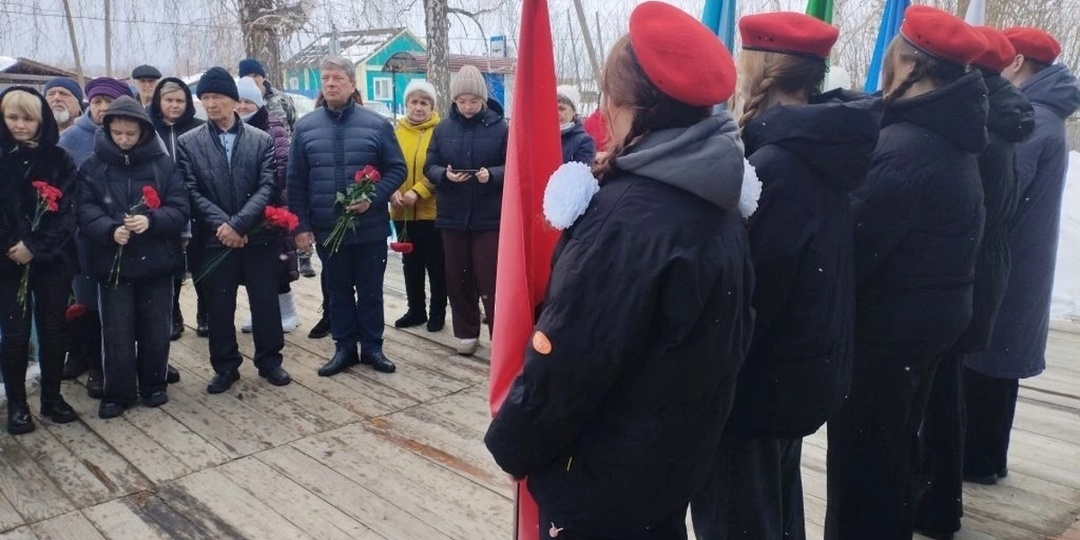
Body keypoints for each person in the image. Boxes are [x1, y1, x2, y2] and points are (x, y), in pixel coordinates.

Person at [485, 2, 754, 538]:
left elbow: (574, 357)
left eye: (610, 93)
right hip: (666, 461)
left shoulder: (627, 218)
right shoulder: (716, 198)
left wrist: (514, 442)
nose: (603, 107)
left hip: (606, 478)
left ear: (638, 104)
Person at [690, 12, 878, 540]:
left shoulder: (779, 163)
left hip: (757, 383)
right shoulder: (818, 141)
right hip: (794, 371)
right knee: (773, 503)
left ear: (759, 67)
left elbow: (753, 292)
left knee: (739, 515)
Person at [824, 6, 990, 539]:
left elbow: (854, 249)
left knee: (864, 469)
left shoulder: (904, 149)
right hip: (928, 323)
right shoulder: (948, 134)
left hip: (887, 335)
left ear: (910, 65)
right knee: (893, 455)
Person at [913, 26, 1036, 540]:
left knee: (939, 397)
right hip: (981, 266)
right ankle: (941, 501)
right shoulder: (1002, 118)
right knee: (947, 392)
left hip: (964, 268)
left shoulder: (980, 124)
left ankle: (937, 505)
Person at [962, 26, 1080, 489]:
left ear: (1014, 63)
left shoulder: (1030, 120)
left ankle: (980, 459)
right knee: (999, 364)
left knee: (990, 364)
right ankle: (987, 455)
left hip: (1008, 260)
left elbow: (1002, 197)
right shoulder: (1047, 116)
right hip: (1021, 261)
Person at [287, 56, 406, 377]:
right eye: (325, 78)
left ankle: (372, 347)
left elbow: (397, 169)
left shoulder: (377, 125)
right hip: (328, 228)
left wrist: (373, 197)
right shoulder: (306, 127)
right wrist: (300, 225)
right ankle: (343, 347)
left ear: (353, 85)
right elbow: (295, 180)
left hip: (370, 227)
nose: (330, 84)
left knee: (370, 289)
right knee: (337, 290)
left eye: (338, 78)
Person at [177, 67, 291, 394]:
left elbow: (268, 184)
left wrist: (240, 223)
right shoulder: (189, 142)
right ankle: (225, 366)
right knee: (219, 305)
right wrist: (224, 225)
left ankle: (270, 360)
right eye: (206, 98)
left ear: (234, 101)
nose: (212, 104)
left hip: (257, 235)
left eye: (218, 97)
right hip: (215, 239)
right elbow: (191, 189)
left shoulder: (261, 140)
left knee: (265, 301)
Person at [76, 96, 189, 419]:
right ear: (108, 130)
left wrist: (151, 220)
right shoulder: (94, 165)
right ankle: (118, 391)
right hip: (114, 264)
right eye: (118, 133)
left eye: (130, 133)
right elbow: (84, 208)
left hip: (155, 261)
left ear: (142, 131)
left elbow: (179, 207)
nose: (124, 139)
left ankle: (154, 384)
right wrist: (110, 229)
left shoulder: (162, 164)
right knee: (116, 330)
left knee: (156, 328)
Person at [0, 86, 80, 434]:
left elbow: (66, 213)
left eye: (28, 119)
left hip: (51, 260)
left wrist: (35, 244)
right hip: (7, 262)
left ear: (41, 121)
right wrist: (12, 245)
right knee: (16, 334)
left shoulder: (58, 160)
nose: (20, 125)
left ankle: (51, 396)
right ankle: (18, 405)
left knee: (52, 328)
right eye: (13, 117)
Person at [58, 77, 134, 397]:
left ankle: (130, 361)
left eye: (110, 102)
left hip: (125, 236)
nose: (103, 108)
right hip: (84, 237)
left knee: (122, 306)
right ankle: (95, 365)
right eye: (98, 101)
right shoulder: (71, 139)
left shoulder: (133, 137)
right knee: (88, 303)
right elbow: (61, 190)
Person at [424, 64, 508, 356]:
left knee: (491, 277)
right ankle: (466, 332)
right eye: (462, 101)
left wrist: (493, 174)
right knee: (458, 276)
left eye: (474, 101)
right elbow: (429, 165)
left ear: (483, 100)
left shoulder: (500, 127)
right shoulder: (443, 128)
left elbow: (513, 166)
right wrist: (443, 176)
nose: (468, 106)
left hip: (489, 216)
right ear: (454, 101)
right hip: (452, 214)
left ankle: (501, 334)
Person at [235, 77, 300, 335]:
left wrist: (261, 195)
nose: (242, 106)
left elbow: (281, 165)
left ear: (257, 103)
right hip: (244, 210)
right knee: (252, 268)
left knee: (279, 264)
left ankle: (288, 312)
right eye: (238, 101)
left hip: (272, 205)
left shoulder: (273, 126)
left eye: (247, 101)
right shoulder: (229, 128)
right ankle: (258, 310)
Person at [149, 77, 206, 341]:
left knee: (202, 262)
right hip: (164, 207)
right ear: (159, 102)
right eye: (169, 100)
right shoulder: (149, 130)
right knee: (170, 265)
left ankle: (204, 312)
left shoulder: (199, 128)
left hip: (196, 204)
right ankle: (173, 314)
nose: (174, 105)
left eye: (179, 100)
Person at [391, 80, 447, 333]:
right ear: (406, 105)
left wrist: (419, 191)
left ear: (432, 106)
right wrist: (392, 190)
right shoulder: (396, 131)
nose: (418, 107)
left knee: (436, 264)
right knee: (410, 263)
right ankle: (416, 310)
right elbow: (386, 164)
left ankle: (437, 313)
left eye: (424, 103)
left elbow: (442, 167)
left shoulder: (441, 131)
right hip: (401, 210)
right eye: (414, 102)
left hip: (431, 210)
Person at [239, 58, 296, 132]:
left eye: (255, 75)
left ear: (263, 77)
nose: (252, 79)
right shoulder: (238, 103)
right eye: (247, 76)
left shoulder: (281, 99)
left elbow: (295, 126)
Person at [556, 85, 597, 164]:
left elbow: (580, 173)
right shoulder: (545, 137)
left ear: (574, 111)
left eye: (562, 109)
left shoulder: (585, 142)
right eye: (554, 108)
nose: (557, 113)